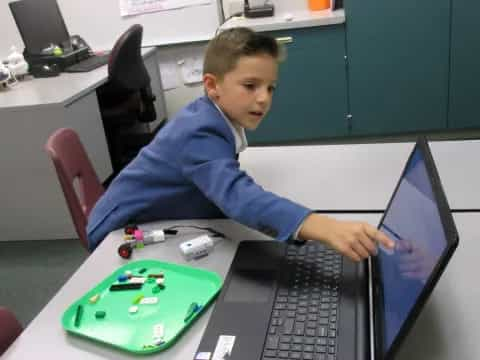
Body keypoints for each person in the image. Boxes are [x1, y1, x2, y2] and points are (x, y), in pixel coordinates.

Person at [87, 27, 394, 259]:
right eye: (250, 86)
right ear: (212, 85)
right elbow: (237, 196)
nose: (264, 98)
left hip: (161, 213)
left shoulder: (214, 117)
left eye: (270, 88)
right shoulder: (199, 132)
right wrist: (322, 226)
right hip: (118, 232)